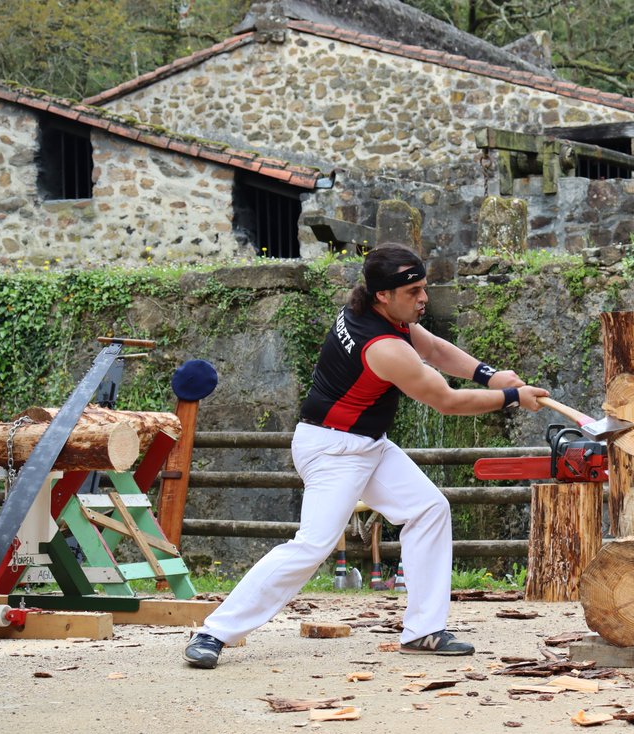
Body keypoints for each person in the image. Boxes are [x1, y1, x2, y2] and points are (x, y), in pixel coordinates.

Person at [184, 243, 549, 667]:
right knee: (312, 545)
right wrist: (511, 397)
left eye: (423, 288)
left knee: (429, 509)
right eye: (413, 291)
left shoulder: (381, 315)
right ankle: (214, 632)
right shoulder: (381, 345)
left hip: (367, 443)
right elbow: (445, 401)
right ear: (384, 295)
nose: (423, 298)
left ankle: (424, 631)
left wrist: (488, 374)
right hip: (333, 449)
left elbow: (433, 349)